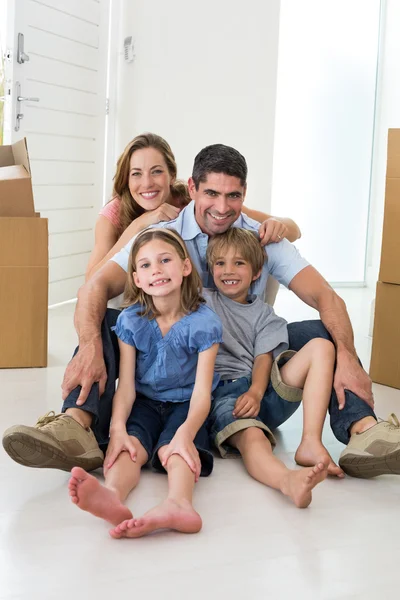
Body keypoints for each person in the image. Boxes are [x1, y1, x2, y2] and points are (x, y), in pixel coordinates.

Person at [3, 143, 399, 480]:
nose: (222, 208)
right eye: (211, 194)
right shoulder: (162, 237)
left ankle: (365, 431)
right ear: (191, 188)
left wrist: (347, 356)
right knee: (108, 323)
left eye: (234, 196)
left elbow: (329, 298)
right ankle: (75, 426)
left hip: (246, 362)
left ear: (245, 194)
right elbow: (94, 288)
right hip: (178, 371)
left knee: (323, 331)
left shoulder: (260, 239)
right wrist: (89, 345)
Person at [69, 228, 222, 538]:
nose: (157, 270)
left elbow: (203, 392)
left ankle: (179, 504)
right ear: (137, 279)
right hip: (144, 401)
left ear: (185, 267)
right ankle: (111, 493)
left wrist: (186, 432)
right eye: (146, 265)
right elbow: (126, 385)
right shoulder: (131, 320)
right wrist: (118, 428)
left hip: (187, 404)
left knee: (177, 450)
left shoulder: (205, 323)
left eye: (165, 260)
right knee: (129, 447)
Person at [204, 228, 341, 508]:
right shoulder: (202, 301)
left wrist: (256, 392)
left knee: (322, 346)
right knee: (254, 439)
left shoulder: (266, 315)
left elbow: (263, 359)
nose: (228, 270)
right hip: (226, 396)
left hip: (262, 390)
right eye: (220, 263)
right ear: (210, 269)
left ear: (256, 273)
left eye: (239, 263)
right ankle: (286, 481)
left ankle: (310, 442)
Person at [85, 132, 301, 280]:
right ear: (126, 178)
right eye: (136, 174)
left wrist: (274, 225)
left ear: (171, 174)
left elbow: (294, 230)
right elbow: (91, 280)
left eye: (157, 171)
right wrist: (140, 224)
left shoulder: (196, 200)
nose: (147, 183)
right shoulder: (113, 213)